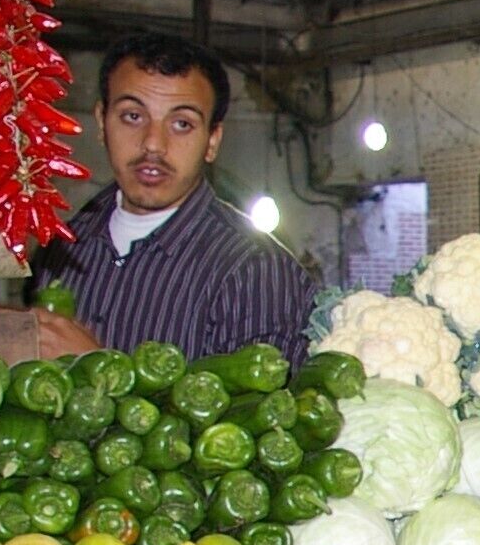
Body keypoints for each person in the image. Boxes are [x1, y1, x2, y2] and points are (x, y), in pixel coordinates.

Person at [40, 34, 314, 363]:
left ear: (212, 140)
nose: (153, 144)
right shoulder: (64, 248)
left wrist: (96, 366)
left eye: (182, 124)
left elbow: (265, 411)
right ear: (101, 122)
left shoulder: (255, 271)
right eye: (132, 116)